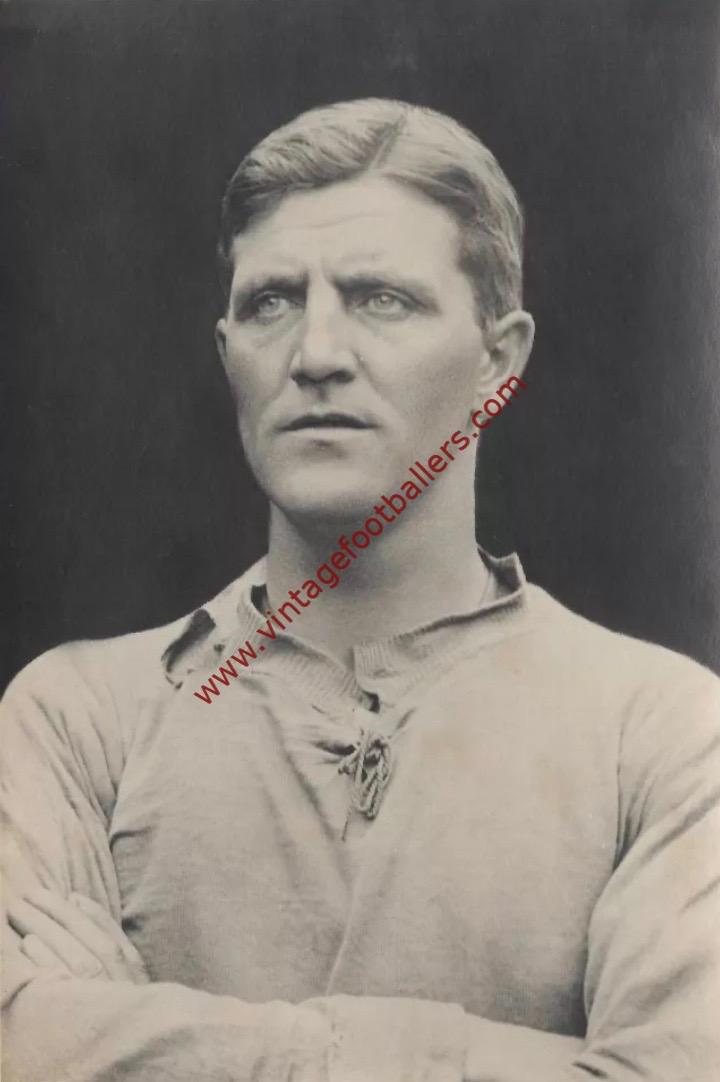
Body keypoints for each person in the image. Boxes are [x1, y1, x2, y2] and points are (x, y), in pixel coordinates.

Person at [2, 98, 718, 1082]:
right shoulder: (79, 720)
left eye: (381, 299)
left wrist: (137, 1037)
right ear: (228, 353)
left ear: (499, 363)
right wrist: (500, 1057)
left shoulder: (664, 728)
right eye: (272, 302)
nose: (316, 355)